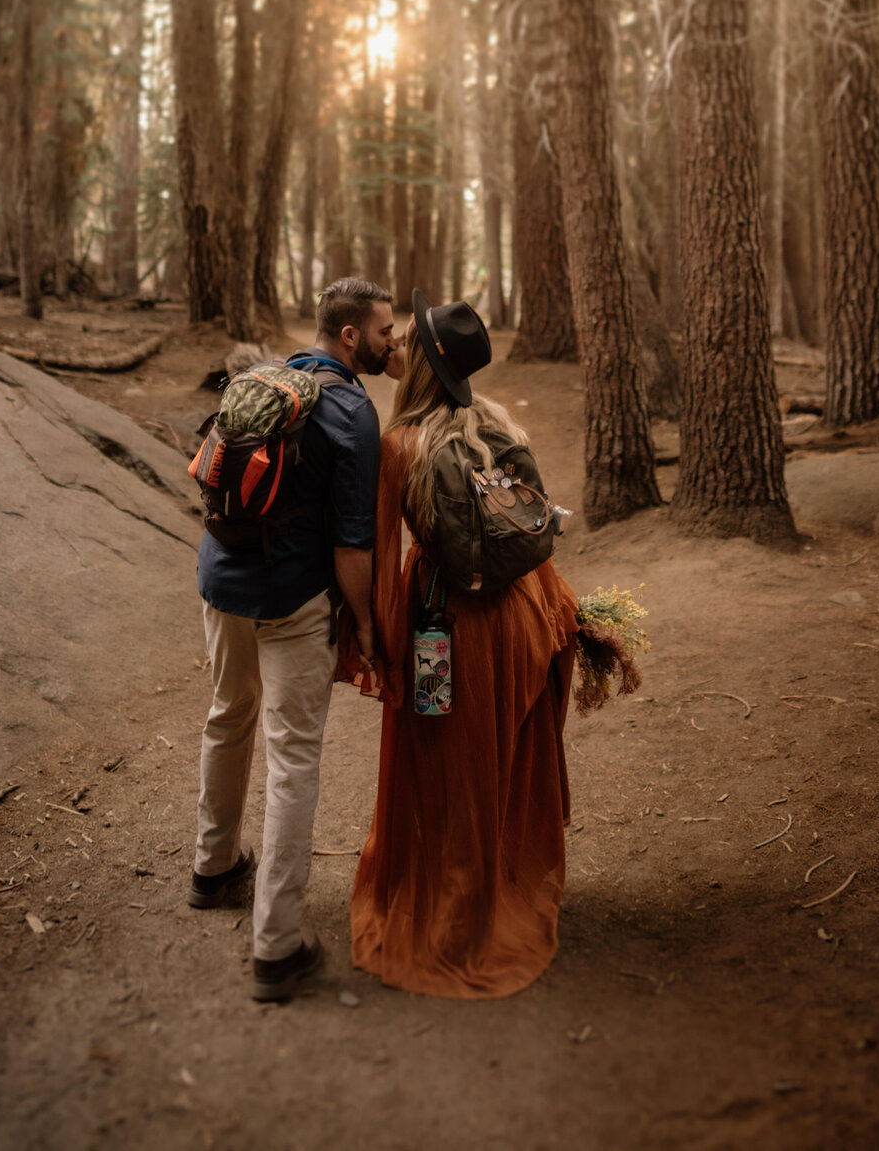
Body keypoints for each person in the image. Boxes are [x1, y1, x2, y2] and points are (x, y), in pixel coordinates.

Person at [339, 290, 583, 1000]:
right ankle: (499, 885)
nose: (398, 346)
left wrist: (375, 648)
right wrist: (560, 617)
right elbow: (531, 531)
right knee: (497, 760)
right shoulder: (496, 422)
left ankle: (454, 922)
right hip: (519, 617)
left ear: (423, 364)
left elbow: (385, 562)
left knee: (444, 767)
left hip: (441, 631)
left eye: (409, 340)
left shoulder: (399, 446)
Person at [188, 276, 394, 1001]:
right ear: (349, 337)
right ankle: (276, 945)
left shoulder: (268, 376)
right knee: (293, 755)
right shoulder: (349, 409)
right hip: (291, 596)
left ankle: (212, 868)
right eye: (382, 332)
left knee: (226, 714)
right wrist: (365, 622)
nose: (391, 342)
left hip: (220, 577)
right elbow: (351, 543)